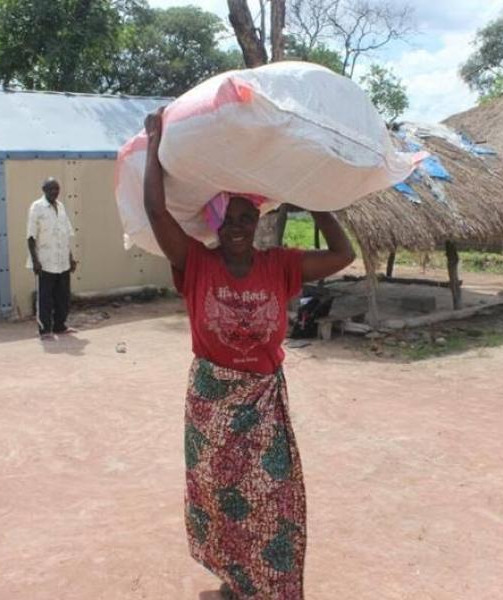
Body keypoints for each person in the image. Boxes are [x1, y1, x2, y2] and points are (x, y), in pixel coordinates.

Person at [143, 107, 355, 599]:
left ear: (257, 221)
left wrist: (313, 199)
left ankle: (267, 587)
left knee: (272, 498)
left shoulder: (279, 265)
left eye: (245, 217)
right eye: (229, 218)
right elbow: (157, 212)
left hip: (261, 401)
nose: (237, 226)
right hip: (211, 404)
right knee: (221, 499)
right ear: (216, 222)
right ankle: (233, 583)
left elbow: (343, 256)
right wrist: (155, 143)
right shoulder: (195, 262)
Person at [26, 177, 78, 340]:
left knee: (63, 296)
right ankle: (44, 329)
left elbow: (65, 235)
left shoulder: (61, 207)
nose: (54, 192)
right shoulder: (37, 207)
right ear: (44, 190)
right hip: (45, 261)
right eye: (51, 189)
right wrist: (35, 261)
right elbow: (31, 237)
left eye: (57, 189)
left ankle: (60, 326)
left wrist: (70, 258)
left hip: (62, 260)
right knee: (45, 297)